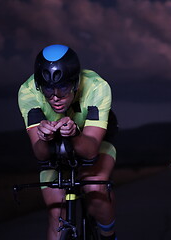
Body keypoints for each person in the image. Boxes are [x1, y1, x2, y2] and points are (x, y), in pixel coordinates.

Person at [18, 44, 118, 240]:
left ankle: (109, 235)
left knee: (95, 188)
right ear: (39, 85)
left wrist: (73, 135)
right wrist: (44, 138)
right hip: (54, 147)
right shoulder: (28, 91)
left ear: (76, 82)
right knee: (56, 213)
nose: (55, 97)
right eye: (48, 89)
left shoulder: (97, 86)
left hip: (92, 139)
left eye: (63, 87)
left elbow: (90, 151)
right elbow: (40, 154)